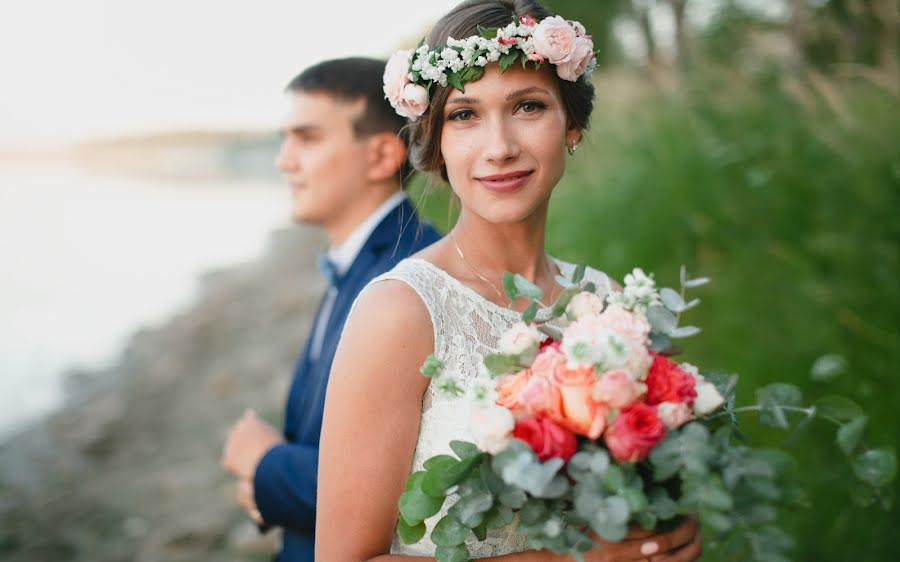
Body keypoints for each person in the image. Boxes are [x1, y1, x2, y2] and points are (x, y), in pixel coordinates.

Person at [315, 2, 704, 561]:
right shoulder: (399, 312)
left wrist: (666, 526)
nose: (499, 147)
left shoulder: (610, 304)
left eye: (527, 106)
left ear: (572, 125)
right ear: (437, 144)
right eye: (465, 115)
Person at [221, 57, 441, 562]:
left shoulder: (405, 278)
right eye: (284, 139)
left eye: (307, 138)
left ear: (382, 155)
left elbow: (394, 485)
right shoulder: (365, 259)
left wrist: (265, 464)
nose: (284, 160)